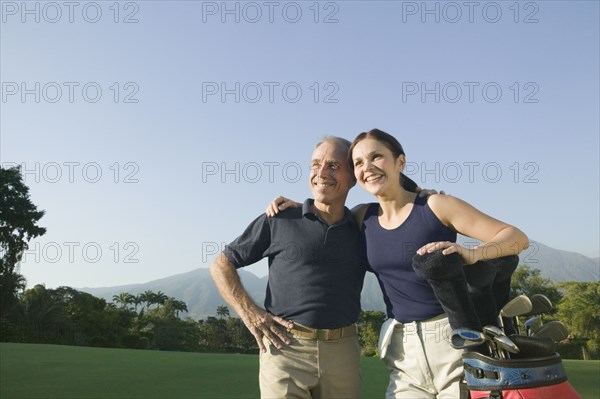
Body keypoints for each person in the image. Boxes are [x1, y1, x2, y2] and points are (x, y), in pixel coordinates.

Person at [269, 129, 529, 398]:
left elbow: (516, 237)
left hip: (453, 339)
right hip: (403, 350)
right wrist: (301, 208)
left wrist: (472, 253)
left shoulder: (436, 205)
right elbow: (326, 218)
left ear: (400, 163)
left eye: (376, 157)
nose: (367, 167)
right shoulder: (362, 217)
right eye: (358, 163)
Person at [210, 136, 367, 399]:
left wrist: (425, 196)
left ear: (353, 177)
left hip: (344, 354)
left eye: (333, 166)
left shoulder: (363, 225)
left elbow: (402, 207)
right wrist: (251, 313)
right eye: (315, 165)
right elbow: (221, 264)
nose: (321, 173)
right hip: (285, 349)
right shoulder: (279, 219)